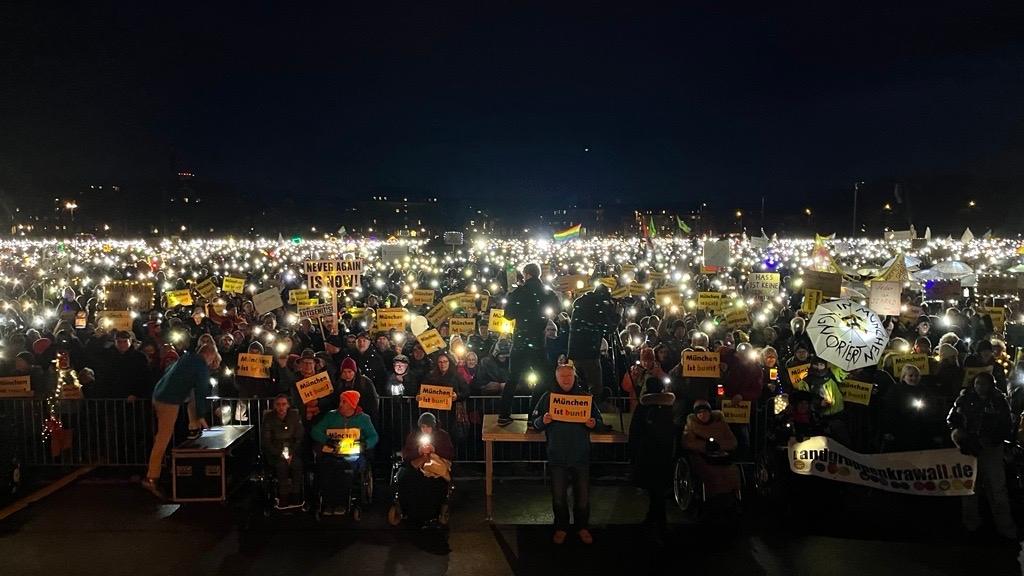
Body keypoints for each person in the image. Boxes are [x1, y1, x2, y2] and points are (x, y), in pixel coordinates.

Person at [533, 364, 602, 545]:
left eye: (569, 376)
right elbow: (534, 422)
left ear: (574, 377)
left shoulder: (585, 398)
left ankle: (582, 527)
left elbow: (600, 422)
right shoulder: (548, 398)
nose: (565, 379)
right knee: (558, 497)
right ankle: (561, 527)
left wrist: (593, 423)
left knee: (583, 498)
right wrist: (543, 420)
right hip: (557, 455)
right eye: (562, 376)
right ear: (556, 377)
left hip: (581, 455)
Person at [142, 344, 221, 498]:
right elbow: (200, 392)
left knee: (162, 436)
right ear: (210, 355)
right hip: (169, 400)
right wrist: (202, 415)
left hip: (160, 395)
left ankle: (194, 427)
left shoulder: (187, 358)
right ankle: (152, 477)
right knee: (163, 438)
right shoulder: (200, 366)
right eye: (213, 358)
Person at [947, 373, 1017, 541]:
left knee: (997, 487)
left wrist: (992, 439)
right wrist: (960, 435)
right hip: (969, 448)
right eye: (978, 383)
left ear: (990, 385)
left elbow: (1007, 425)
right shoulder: (964, 399)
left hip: (991, 449)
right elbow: (952, 419)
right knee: (970, 487)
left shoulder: (999, 401)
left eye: (984, 384)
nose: (980, 387)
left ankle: (1004, 526)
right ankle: (971, 524)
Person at [498, 262, 560, 426]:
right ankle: (534, 413)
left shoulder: (518, 292)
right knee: (544, 379)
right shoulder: (546, 292)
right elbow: (558, 308)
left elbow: (508, 315)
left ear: (526, 274)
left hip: (519, 343)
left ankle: (504, 415)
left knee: (513, 379)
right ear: (538, 274)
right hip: (538, 343)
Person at [311, 390, 379, 516]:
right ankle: (328, 502)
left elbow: (374, 436)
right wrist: (327, 440)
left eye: (344, 402)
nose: (340, 404)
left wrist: (365, 444)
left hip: (353, 454)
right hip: (332, 453)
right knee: (327, 467)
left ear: (352, 404)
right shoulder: (331, 416)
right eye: (340, 401)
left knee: (345, 469)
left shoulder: (364, 419)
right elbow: (315, 431)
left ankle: (341, 502)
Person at [628, 376, 676, 545]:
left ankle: (655, 523)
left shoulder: (643, 406)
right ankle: (657, 523)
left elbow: (635, 431)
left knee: (655, 491)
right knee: (659, 491)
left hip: (647, 452)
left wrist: (633, 454)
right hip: (664, 452)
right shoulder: (668, 406)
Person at [398, 412, 455, 526]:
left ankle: (434, 513)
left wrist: (435, 449)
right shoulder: (413, 436)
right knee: (408, 479)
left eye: (428, 427)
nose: (425, 430)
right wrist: (418, 451)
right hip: (417, 467)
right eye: (423, 427)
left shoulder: (442, 435)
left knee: (435, 483)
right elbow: (407, 454)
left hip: (434, 468)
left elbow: (450, 453)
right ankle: (410, 512)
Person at [683, 400, 740, 512]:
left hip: (720, 456)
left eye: (705, 412)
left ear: (710, 412)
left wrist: (719, 446)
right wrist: (705, 446)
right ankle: (712, 499)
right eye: (699, 413)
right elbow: (687, 442)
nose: (703, 415)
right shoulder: (691, 425)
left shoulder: (721, 424)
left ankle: (732, 498)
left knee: (733, 471)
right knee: (710, 472)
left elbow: (733, 442)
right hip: (701, 456)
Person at [568, 284, 616, 403]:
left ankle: (580, 415)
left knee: (581, 385)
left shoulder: (582, 303)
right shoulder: (596, 307)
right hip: (590, 353)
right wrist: (616, 313)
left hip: (575, 352)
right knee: (595, 387)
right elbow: (608, 328)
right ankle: (593, 416)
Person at [261, 394, 305, 508]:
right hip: (275, 450)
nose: (281, 407)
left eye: (284, 404)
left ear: (288, 405)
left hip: (292, 449)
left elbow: (299, 437)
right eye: (278, 404)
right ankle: (283, 496)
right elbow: (266, 440)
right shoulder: (269, 418)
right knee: (281, 466)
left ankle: (296, 495)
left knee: (297, 465)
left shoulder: (294, 416)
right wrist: (280, 453)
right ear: (274, 406)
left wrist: (291, 453)